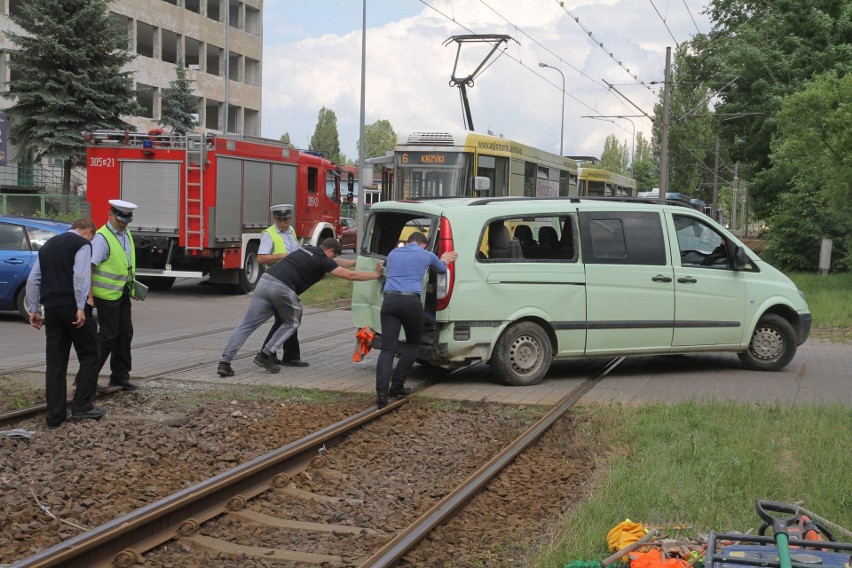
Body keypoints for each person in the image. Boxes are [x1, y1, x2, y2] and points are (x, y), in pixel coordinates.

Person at [217, 238, 383, 377]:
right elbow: (350, 275)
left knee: (247, 324)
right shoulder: (322, 260)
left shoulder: (307, 249)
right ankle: (265, 354)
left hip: (265, 281)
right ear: (331, 251)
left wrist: (356, 261)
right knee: (293, 321)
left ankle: (225, 363)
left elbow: (335, 263)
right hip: (282, 287)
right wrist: (375, 275)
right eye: (333, 256)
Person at [25, 218, 107, 429]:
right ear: (89, 231)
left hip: (51, 309)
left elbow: (34, 279)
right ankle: (82, 407)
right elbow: (80, 276)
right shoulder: (81, 244)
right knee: (90, 354)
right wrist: (81, 306)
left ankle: (55, 417)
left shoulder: (47, 246)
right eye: (92, 236)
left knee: (55, 362)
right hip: (72, 306)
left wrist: (33, 309)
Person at [375, 232, 458, 408]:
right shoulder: (426, 254)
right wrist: (444, 259)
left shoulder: (393, 253)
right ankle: (397, 386)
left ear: (408, 241)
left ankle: (381, 395)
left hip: (389, 301)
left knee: (387, 350)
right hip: (410, 302)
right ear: (423, 244)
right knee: (413, 344)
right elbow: (442, 269)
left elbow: (388, 267)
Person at [91, 199, 141, 392]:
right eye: (120, 220)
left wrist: (133, 288)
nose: (123, 224)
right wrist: (88, 296)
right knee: (107, 336)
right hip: (105, 295)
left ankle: (120, 376)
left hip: (122, 293)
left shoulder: (126, 233)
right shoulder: (101, 238)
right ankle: (86, 377)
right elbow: (89, 267)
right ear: (110, 215)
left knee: (125, 333)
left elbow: (126, 265)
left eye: (127, 221)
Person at [257, 204, 307, 367]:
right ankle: (270, 353)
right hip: (276, 281)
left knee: (287, 318)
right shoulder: (269, 234)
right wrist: (281, 256)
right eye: (279, 220)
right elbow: (261, 258)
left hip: (289, 281)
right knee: (289, 318)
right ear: (274, 219)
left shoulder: (291, 231)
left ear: (290, 218)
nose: (283, 223)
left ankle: (284, 354)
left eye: (285, 219)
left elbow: (296, 251)